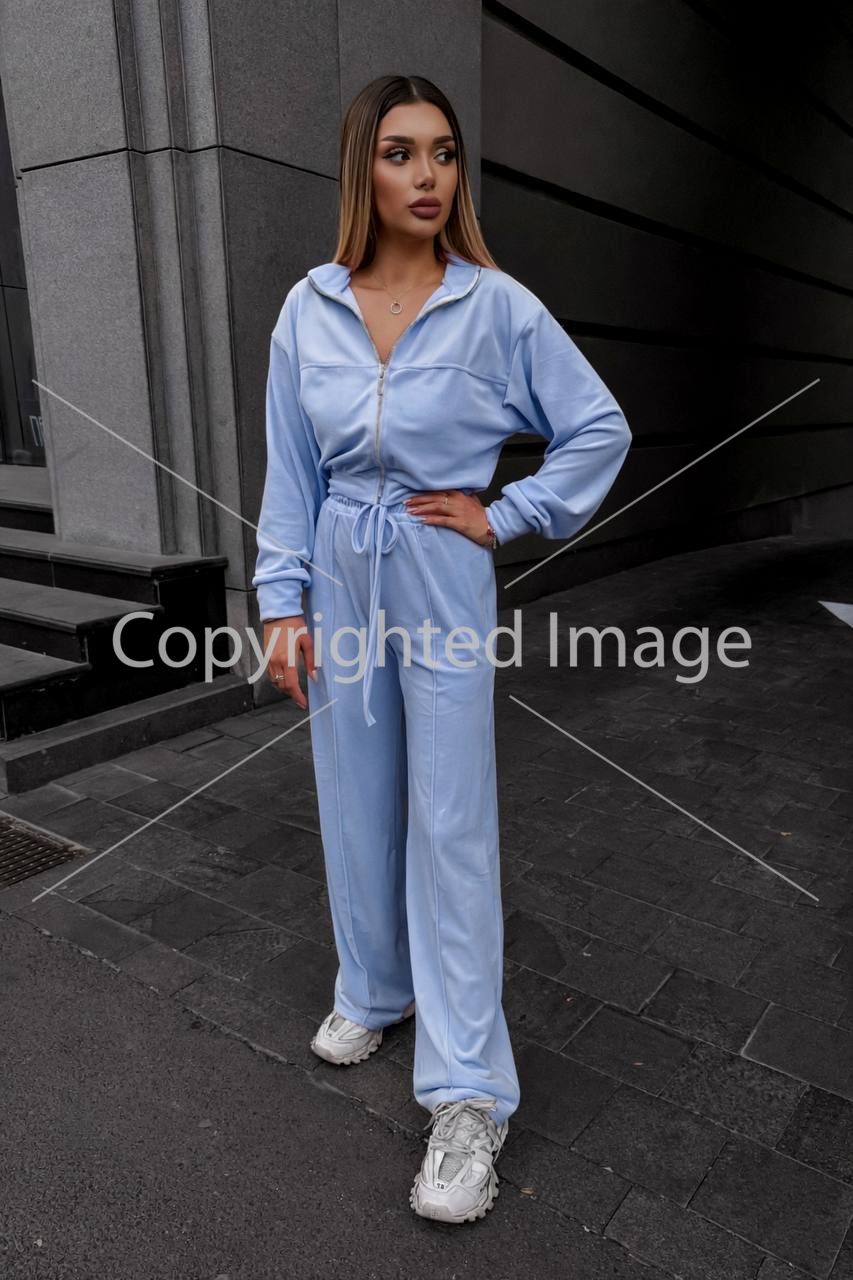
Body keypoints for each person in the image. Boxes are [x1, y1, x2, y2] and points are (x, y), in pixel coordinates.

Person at [252, 73, 632, 1225]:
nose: (427, 176)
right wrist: (280, 599)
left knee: (450, 821)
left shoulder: (495, 307)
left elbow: (597, 426)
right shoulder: (308, 306)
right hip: (338, 562)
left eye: (444, 154)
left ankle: (468, 1093)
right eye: (401, 153)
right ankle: (374, 984)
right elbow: (290, 467)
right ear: (360, 169)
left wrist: (507, 512)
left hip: (438, 566)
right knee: (353, 795)